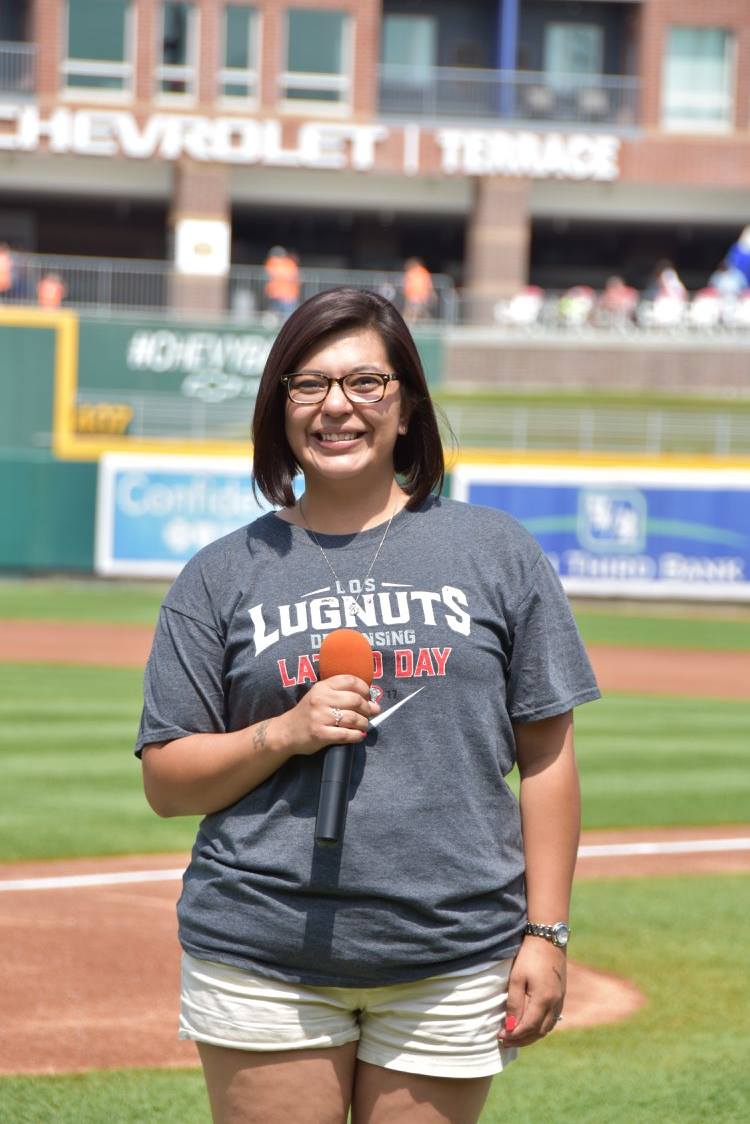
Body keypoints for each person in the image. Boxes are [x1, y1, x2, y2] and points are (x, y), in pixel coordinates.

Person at [136, 287, 600, 1124]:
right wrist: (282, 732)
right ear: (279, 408)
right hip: (261, 947)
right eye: (307, 384)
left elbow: (547, 756)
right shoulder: (220, 573)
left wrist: (548, 932)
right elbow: (169, 783)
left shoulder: (496, 550)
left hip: (452, 951)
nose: (336, 406)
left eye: (365, 383)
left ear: (407, 403)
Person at [264, 245, 300, 320]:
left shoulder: (288, 263)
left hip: (288, 294)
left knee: (287, 314)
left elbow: (293, 275)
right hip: (276, 293)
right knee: (275, 312)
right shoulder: (272, 262)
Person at [401, 257, 435, 323]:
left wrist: (431, 293)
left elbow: (428, 283)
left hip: (418, 296)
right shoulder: (412, 272)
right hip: (414, 296)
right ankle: (411, 323)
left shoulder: (420, 272)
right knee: (414, 310)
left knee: (415, 311)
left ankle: (412, 323)